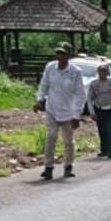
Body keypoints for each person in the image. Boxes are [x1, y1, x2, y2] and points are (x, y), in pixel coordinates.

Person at [35, 42, 87, 180]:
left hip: (68, 112)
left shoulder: (75, 72)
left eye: (64, 54)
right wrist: (40, 100)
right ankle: (48, 167)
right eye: (58, 53)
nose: (60, 56)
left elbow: (80, 94)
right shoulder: (50, 68)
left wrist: (77, 115)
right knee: (51, 137)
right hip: (52, 109)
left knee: (68, 141)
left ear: (69, 56)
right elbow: (44, 85)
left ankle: (68, 166)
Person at [84, 63, 111, 159]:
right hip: (99, 109)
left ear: (107, 73)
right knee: (102, 130)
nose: (103, 74)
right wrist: (92, 112)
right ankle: (104, 150)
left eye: (104, 71)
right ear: (98, 73)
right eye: (101, 72)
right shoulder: (94, 84)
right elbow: (89, 99)